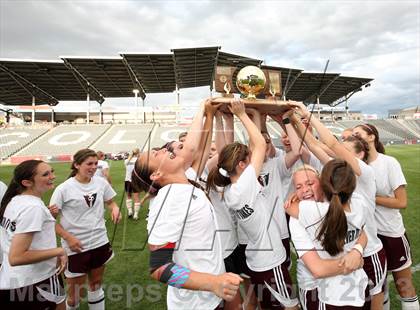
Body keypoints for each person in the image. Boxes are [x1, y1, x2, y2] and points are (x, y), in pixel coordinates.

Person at [131, 101, 242, 309]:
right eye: (156, 154)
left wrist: (208, 114)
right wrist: (213, 283)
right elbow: (159, 267)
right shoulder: (169, 199)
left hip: (211, 297)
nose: (162, 150)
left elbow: (193, 149)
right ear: (157, 174)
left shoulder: (187, 179)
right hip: (195, 304)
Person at [207, 100, 299, 309]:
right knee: (290, 306)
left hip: (257, 259)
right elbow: (258, 143)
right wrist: (241, 114)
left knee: (267, 305)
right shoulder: (244, 185)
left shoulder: (231, 190)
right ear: (240, 165)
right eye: (248, 160)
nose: (252, 161)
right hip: (270, 259)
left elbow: (253, 147)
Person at [353, 124, 419, 310]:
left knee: (404, 286)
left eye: (358, 134)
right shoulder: (358, 166)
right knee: (378, 291)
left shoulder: (388, 162)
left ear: (372, 136)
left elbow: (401, 202)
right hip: (370, 239)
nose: (354, 137)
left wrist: (371, 198)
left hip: (392, 233)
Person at [287, 160, 369, 309]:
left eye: (310, 183)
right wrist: (356, 259)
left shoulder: (308, 211)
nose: (304, 189)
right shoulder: (357, 201)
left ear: (323, 183)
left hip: (341, 291)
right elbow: (317, 269)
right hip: (316, 287)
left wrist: (356, 253)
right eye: (298, 187)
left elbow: (363, 233)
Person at [50, 149, 121, 310]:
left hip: (100, 242)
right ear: (76, 165)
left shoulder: (101, 182)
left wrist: (115, 208)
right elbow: (50, 222)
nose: (94, 167)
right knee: (75, 296)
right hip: (76, 247)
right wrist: (69, 238)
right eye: (89, 164)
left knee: (95, 284)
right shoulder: (63, 189)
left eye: (96, 163)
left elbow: (111, 202)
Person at [0, 160, 67, 309]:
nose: (52, 176)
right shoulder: (33, 207)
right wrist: (59, 251)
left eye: (52, 171)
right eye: (45, 174)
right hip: (35, 282)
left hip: (11, 281)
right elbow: (16, 257)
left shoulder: (15, 201)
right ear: (27, 182)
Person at [124, 148, 141, 220]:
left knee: (128, 196)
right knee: (136, 197)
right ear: (138, 153)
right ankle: (136, 214)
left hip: (127, 180)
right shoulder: (139, 161)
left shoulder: (126, 161)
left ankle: (130, 211)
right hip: (136, 180)